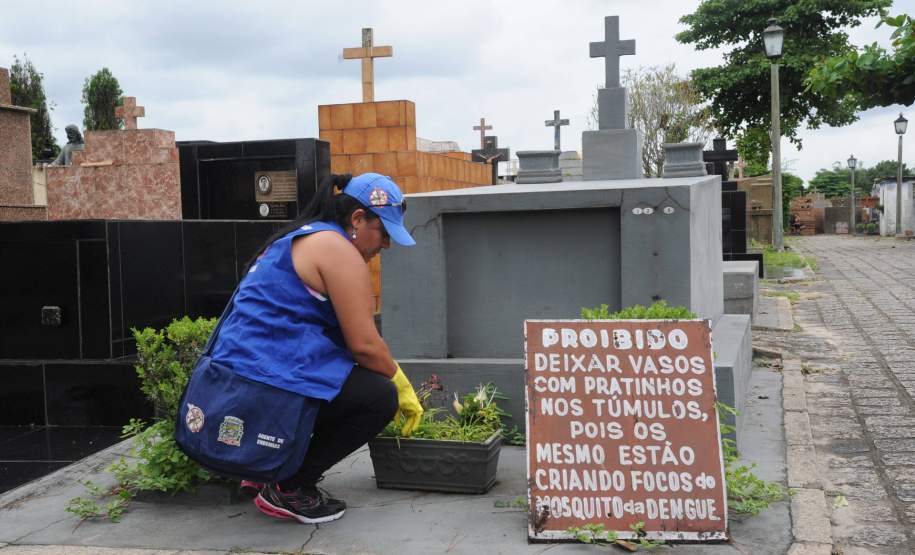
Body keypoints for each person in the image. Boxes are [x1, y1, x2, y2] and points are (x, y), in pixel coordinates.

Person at [208, 172, 423, 524]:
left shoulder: (306, 237)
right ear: (357, 219)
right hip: (260, 379)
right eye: (383, 233)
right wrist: (401, 384)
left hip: (238, 377)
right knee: (378, 396)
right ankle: (289, 486)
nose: (385, 245)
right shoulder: (338, 250)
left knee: (343, 376)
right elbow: (365, 345)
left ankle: (266, 462)